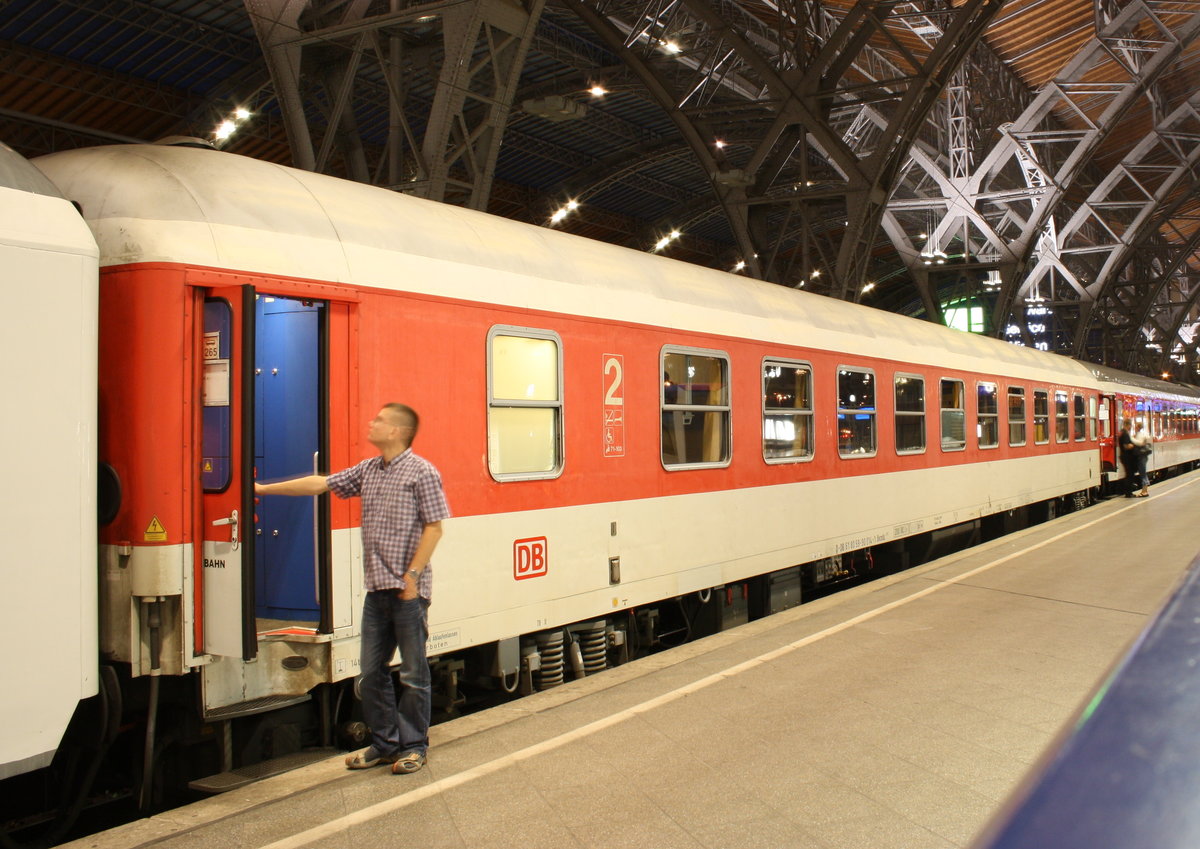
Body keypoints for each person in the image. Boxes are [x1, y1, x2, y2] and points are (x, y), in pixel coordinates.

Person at [255, 403, 449, 774]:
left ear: (396, 431)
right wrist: (265, 488)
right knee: (371, 673)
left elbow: (434, 527)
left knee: (412, 673)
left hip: (408, 593)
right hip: (377, 592)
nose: (371, 423)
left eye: (379, 420)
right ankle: (385, 743)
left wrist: (412, 576)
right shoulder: (369, 470)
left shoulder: (422, 472)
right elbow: (322, 483)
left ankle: (414, 747)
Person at [1131, 419, 1152, 498]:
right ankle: (1144, 490)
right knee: (1143, 472)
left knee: (1142, 473)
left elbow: (1139, 443)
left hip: (1141, 456)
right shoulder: (1141, 434)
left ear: (1137, 427)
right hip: (1143, 456)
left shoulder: (1139, 435)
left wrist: (1131, 439)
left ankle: (1144, 491)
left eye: (1135, 426)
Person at [1117, 418, 1139, 498]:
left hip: (1124, 456)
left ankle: (1128, 492)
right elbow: (1127, 446)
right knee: (1130, 475)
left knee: (1128, 474)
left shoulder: (1121, 433)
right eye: (1130, 425)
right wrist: (1135, 445)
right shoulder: (1125, 433)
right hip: (1127, 457)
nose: (1131, 427)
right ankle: (1128, 493)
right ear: (1128, 425)